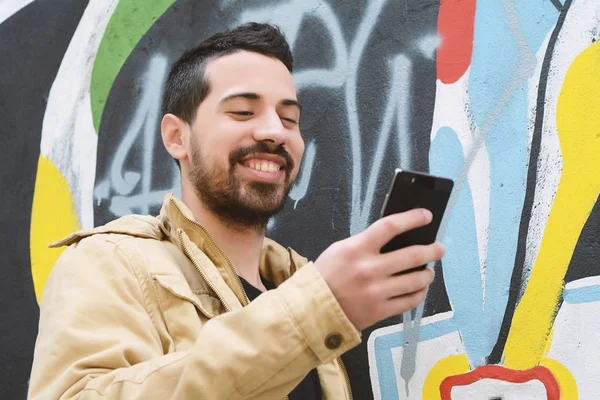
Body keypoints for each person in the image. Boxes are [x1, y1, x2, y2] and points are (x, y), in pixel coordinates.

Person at [28, 23, 444, 399]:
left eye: (289, 117)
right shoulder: (109, 262)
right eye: (242, 111)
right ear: (176, 136)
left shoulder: (297, 281)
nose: (273, 132)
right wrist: (316, 310)